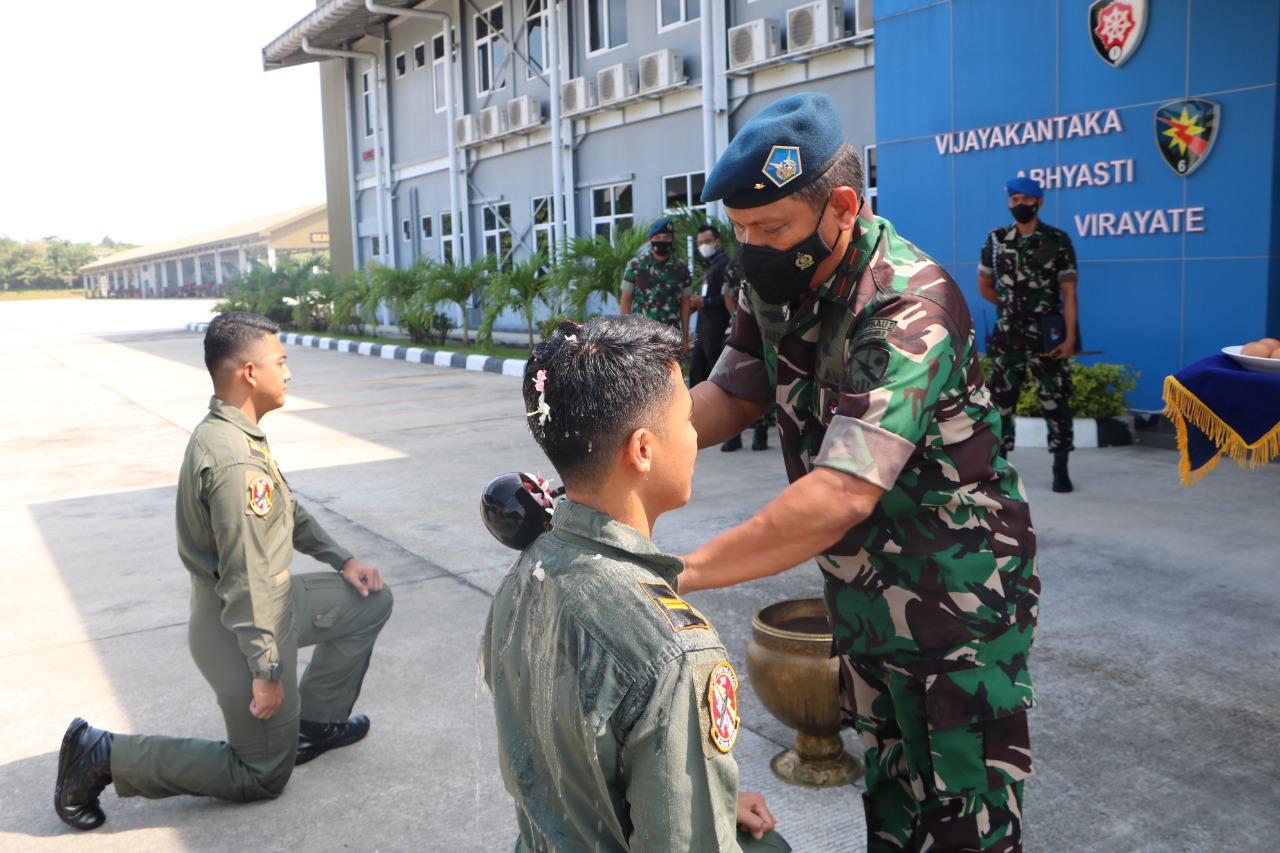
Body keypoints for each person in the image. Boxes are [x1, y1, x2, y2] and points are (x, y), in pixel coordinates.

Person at [681, 93, 1039, 852]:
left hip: (956, 602)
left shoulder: (911, 303)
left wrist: (674, 570)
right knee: (893, 801)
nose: (752, 249)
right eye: (740, 230)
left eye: (771, 228)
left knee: (962, 818)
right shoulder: (777, 284)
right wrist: (627, 455)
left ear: (842, 205)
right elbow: (733, 390)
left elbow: (843, 488)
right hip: (869, 598)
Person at [54, 311, 393, 831]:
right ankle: (101, 754)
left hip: (268, 605)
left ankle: (316, 724)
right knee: (261, 774)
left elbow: (288, 513)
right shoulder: (236, 462)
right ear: (250, 373)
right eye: (281, 361)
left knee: (369, 600)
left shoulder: (237, 434)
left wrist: (342, 560)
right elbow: (246, 579)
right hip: (238, 625)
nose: (290, 372)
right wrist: (267, 674)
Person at [482, 314, 789, 852]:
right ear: (643, 449)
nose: (697, 437)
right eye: (689, 420)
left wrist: (712, 797)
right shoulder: (671, 647)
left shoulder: (530, 568)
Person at [978, 176, 1080, 492]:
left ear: (1039, 201)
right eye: (1014, 199)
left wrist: (1069, 339)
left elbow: (1069, 295)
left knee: (1056, 402)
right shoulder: (996, 240)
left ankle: (1061, 469)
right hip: (1008, 336)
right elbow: (985, 287)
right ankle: (999, 469)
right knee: (1001, 404)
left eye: (1025, 199)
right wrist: (1012, 308)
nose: (1019, 204)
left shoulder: (1058, 240)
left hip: (1047, 339)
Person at [719, 255, 773, 453]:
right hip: (740, 326)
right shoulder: (734, 265)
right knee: (735, 380)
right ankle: (734, 435)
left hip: (770, 325)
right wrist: (739, 314)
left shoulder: (774, 259)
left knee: (767, 379)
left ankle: (761, 431)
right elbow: (727, 298)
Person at [620, 218, 692, 356]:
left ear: (673, 239)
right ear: (650, 239)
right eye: (658, 237)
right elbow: (626, 299)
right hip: (640, 336)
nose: (662, 241)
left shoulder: (681, 269)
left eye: (666, 237)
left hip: (670, 336)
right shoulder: (635, 266)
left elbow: (685, 304)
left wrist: (686, 337)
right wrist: (624, 333)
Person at [688, 223, 732, 387]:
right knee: (697, 376)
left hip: (717, 331)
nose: (704, 246)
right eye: (700, 243)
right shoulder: (711, 264)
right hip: (704, 331)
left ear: (717, 242)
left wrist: (705, 302)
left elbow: (727, 298)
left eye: (708, 241)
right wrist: (697, 303)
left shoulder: (724, 265)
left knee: (716, 380)